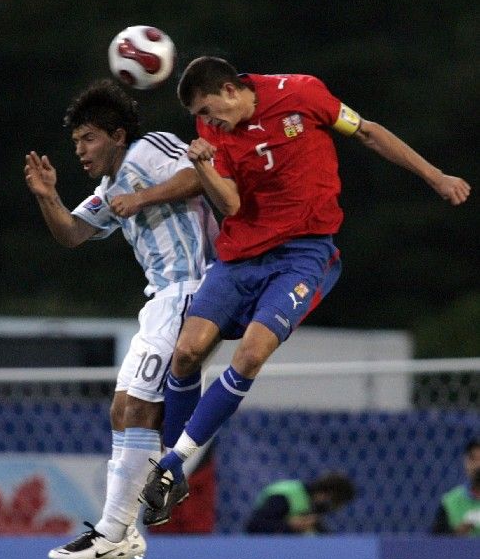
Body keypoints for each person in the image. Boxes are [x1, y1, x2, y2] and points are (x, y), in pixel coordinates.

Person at [141, 56, 471, 515]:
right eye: (199, 116)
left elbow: (370, 132)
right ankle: (171, 473)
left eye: (209, 109)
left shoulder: (302, 94)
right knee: (187, 351)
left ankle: (173, 462)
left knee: (251, 354)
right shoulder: (214, 133)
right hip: (240, 255)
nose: (206, 121)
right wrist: (205, 169)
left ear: (231, 90)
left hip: (301, 254)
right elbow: (231, 205)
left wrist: (437, 177)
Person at [24, 79, 218, 559]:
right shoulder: (109, 190)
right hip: (160, 301)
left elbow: (202, 175)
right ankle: (123, 525)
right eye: (75, 143)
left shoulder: (150, 149)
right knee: (123, 408)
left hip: (192, 287)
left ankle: (116, 530)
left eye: (87, 139)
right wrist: (48, 196)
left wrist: (144, 198)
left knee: (137, 407)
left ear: (115, 134)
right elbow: (72, 232)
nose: (80, 150)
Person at [245, 472, 355, 534]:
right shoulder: (286, 496)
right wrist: (289, 526)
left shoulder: (309, 505)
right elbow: (254, 525)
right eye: (333, 504)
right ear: (327, 495)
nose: (328, 509)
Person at [431, 439, 480, 536]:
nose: (478, 465)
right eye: (473, 459)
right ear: (465, 463)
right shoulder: (450, 502)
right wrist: (459, 532)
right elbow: (435, 545)